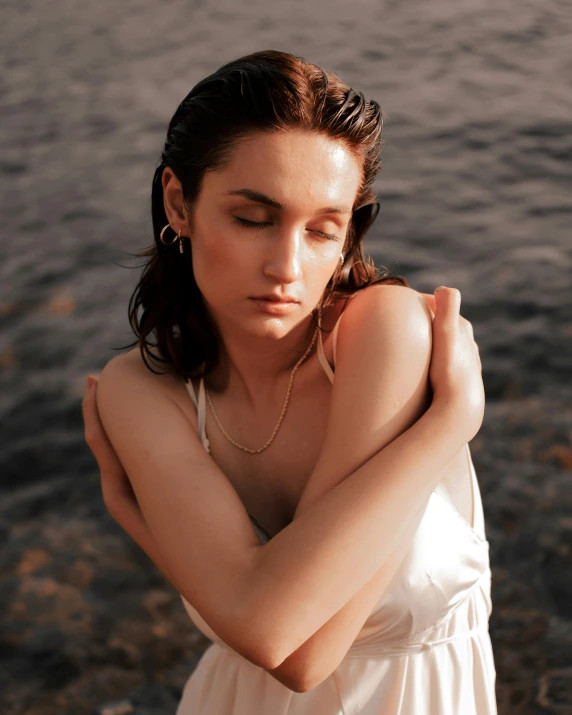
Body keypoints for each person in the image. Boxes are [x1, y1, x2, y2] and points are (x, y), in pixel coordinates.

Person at [82, 50, 497, 714]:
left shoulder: (383, 331)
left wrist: (138, 518)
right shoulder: (142, 389)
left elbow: (297, 649)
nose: (286, 265)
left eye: (322, 230)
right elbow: (288, 650)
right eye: (252, 219)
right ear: (178, 203)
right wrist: (448, 424)